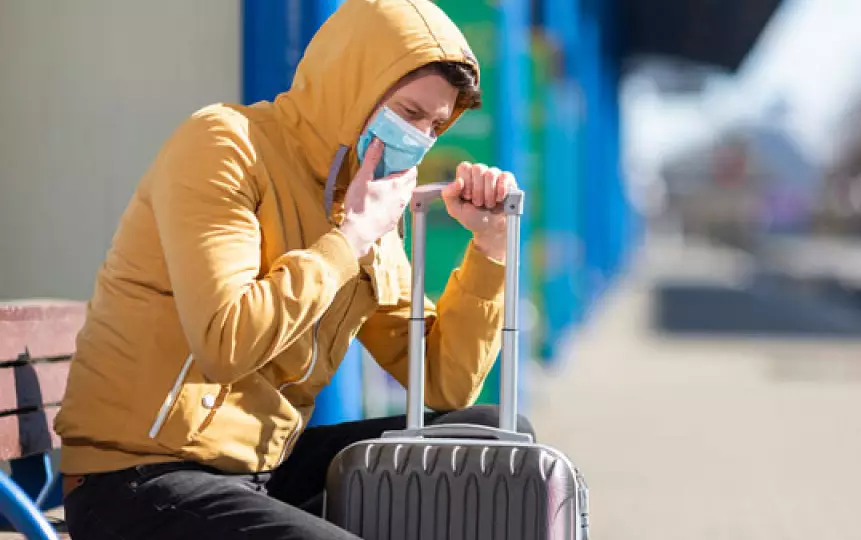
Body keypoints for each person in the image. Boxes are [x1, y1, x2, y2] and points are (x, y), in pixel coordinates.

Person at [53, 1, 534, 538]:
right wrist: (349, 238)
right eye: (408, 111)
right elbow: (225, 340)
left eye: (435, 124)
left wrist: (490, 249)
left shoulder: (367, 197)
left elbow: (445, 383)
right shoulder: (225, 145)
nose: (419, 136)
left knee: (493, 440)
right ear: (352, 85)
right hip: (140, 476)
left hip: (261, 468)